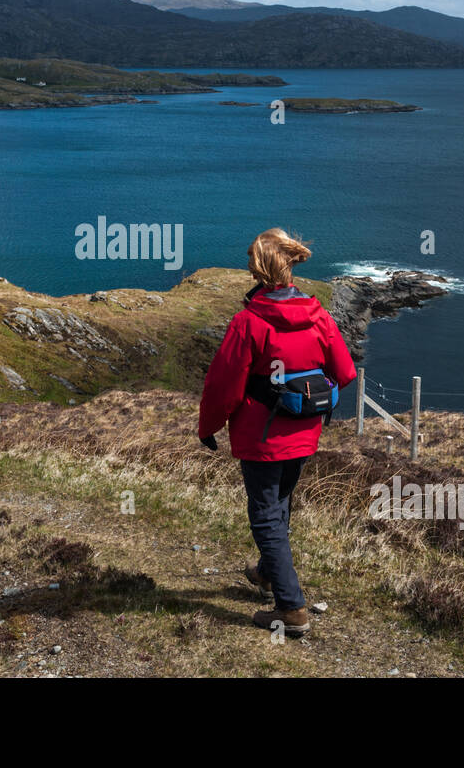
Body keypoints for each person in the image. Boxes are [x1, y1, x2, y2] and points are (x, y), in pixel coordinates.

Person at [198, 228, 357, 635]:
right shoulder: (318, 314)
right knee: (280, 504)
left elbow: (222, 386)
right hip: (305, 429)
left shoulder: (248, 322)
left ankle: (291, 609)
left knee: (266, 516)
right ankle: (268, 575)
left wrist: (208, 427)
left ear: (256, 270)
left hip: (261, 437)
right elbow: (345, 372)